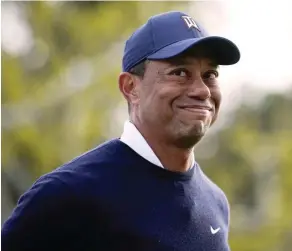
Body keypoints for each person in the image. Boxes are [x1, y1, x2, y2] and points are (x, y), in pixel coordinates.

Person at [1, 11, 240, 251]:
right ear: (131, 87)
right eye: (179, 73)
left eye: (210, 75)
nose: (202, 91)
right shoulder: (68, 195)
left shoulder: (215, 202)